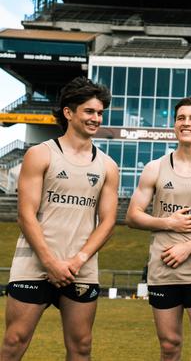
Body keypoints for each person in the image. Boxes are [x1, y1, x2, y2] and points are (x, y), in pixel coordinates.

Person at [1, 77, 119, 360]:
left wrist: (78, 260)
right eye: (89, 111)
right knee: (14, 342)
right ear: (68, 112)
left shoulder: (108, 166)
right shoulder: (40, 154)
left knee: (81, 347)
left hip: (81, 267)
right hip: (34, 263)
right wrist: (51, 262)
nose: (96, 118)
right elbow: (25, 214)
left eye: (100, 113)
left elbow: (108, 221)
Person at [126, 95, 191, 361]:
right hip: (164, 270)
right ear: (174, 125)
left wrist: (189, 247)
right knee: (170, 346)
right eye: (181, 118)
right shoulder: (155, 168)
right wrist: (168, 222)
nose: (186, 123)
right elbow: (132, 216)